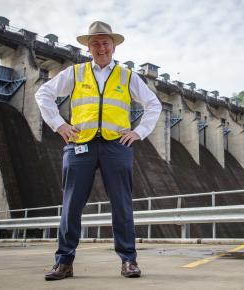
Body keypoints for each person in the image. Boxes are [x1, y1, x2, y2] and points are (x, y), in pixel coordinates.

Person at [35, 21, 162, 280]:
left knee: (122, 205)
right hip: (79, 144)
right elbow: (43, 93)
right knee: (71, 205)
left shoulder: (127, 76)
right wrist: (59, 125)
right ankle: (64, 262)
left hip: (117, 146)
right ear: (89, 48)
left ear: (113, 46)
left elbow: (154, 104)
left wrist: (139, 131)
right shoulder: (76, 72)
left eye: (105, 43)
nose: (101, 47)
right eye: (95, 43)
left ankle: (129, 260)